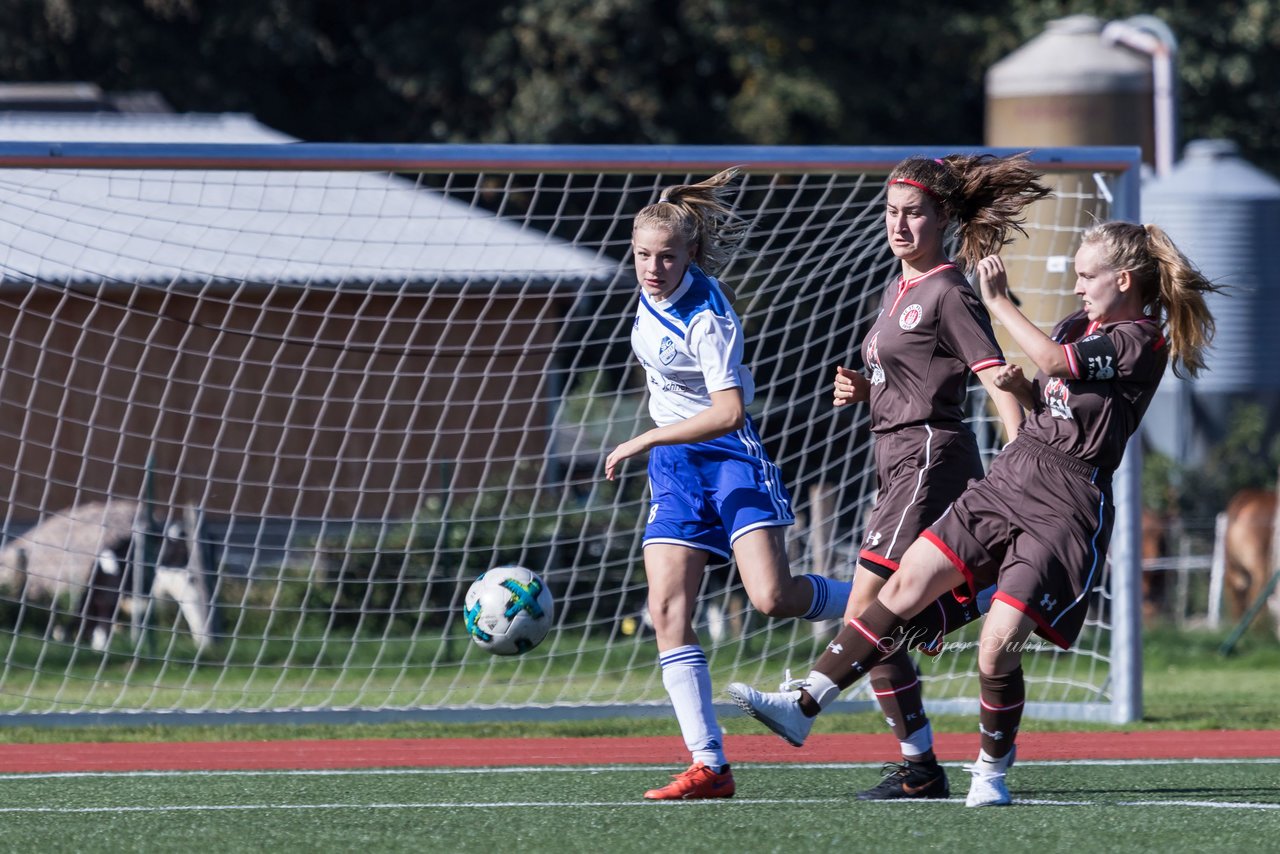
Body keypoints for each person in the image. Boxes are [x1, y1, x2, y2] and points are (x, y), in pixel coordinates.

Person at [729, 220, 1218, 807]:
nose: (1079, 286)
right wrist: (1025, 391)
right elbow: (1057, 400)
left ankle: (991, 771)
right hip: (1013, 473)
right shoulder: (1075, 325)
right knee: (905, 582)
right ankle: (805, 703)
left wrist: (998, 302)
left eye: (1088, 276)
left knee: (997, 647)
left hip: (1065, 503)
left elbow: (1056, 363)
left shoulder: (1142, 337)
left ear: (1124, 279)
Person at [752, 153, 1043, 802]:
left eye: (914, 213)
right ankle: (920, 764)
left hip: (929, 462)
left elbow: (993, 376)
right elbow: (912, 375)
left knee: (868, 611)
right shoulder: (898, 288)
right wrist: (867, 387)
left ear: (942, 218)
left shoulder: (948, 289)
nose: (899, 225)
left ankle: (816, 711)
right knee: (888, 620)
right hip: (895, 460)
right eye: (891, 212)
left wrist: (1022, 462)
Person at [603, 168, 854, 800]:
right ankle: (709, 763)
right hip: (676, 468)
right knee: (667, 610)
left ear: (691, 255)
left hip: (727, 456)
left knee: (772, 597)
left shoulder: (707, 315)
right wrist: (660, 442)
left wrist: (646, 437)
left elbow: (728, 411)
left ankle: (895, 602)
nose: (653, 268)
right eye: (643, 256)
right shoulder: (647, 291)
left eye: (666, 256)